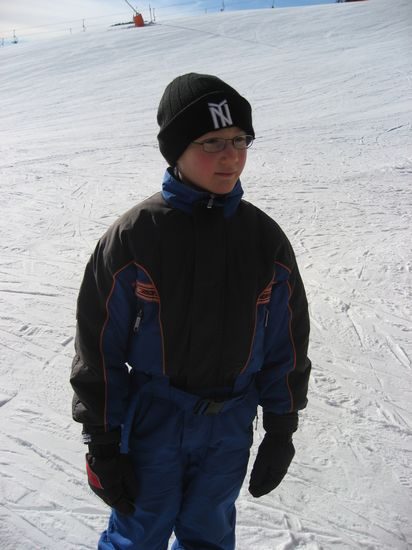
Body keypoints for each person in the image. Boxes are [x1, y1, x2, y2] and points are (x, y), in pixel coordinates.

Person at [70, 72, 311, 550]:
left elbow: (287, 339)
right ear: (176, 150)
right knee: (138, 534)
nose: (231, 156)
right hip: (155, 422)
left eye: (240, 140)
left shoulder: (264, 240)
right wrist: (101, 441)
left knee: (210, 535)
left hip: (230, 425)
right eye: (212, 142)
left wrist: (281, 426)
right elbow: (98, 344)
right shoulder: (136, 237)